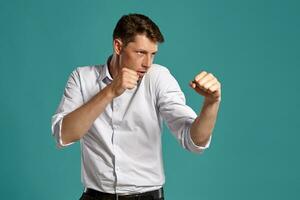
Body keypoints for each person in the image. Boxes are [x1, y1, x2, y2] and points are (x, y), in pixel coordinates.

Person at [51, 13, 221, 200]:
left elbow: (194, 140)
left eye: (153, 54)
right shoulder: (82, 78)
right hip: (95, 195)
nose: (148, 63)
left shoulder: (158, 77)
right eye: (140, 53)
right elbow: (63, 135)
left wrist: (211, 103)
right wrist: (110, 91)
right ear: (118, 46)